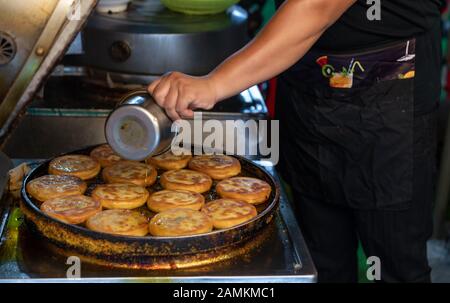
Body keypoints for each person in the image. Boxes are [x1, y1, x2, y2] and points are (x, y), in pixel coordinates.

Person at [148, 0, 445, 282]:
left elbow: (316, 8)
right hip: (308, 93)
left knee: (393, 264)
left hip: (388, 95)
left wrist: (214, 84)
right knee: (319, 259)